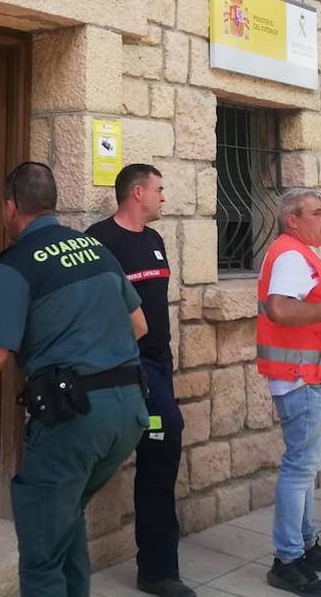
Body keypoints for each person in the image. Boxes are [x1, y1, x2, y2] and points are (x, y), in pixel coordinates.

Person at [0, 162, 149, 597]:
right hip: (128, 412)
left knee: (42, 553)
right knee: (64, 520)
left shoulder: (13, 265)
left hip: (74, 418)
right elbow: (139, 325)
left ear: (10, 207)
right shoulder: (96, 250)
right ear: (51, 203)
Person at [86, 165, 193, 597]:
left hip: (158, 366)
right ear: (136, 192)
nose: (164, 197)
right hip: (125, 365)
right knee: (165, 436)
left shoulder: (154, 240)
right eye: (159, 189)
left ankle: (156, 568)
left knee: (159, 451)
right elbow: (92, 306)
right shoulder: (100, 240)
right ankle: (158, 570)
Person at [257, 188, 321, 596]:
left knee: (305, 466)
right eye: (317, 212)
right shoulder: (292, 254)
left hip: (308, 377)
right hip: (303, 378)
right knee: (299, 468)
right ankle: (288, 559)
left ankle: (306, 544)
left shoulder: (297, 253)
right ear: (292, 219)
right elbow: (279, 307)